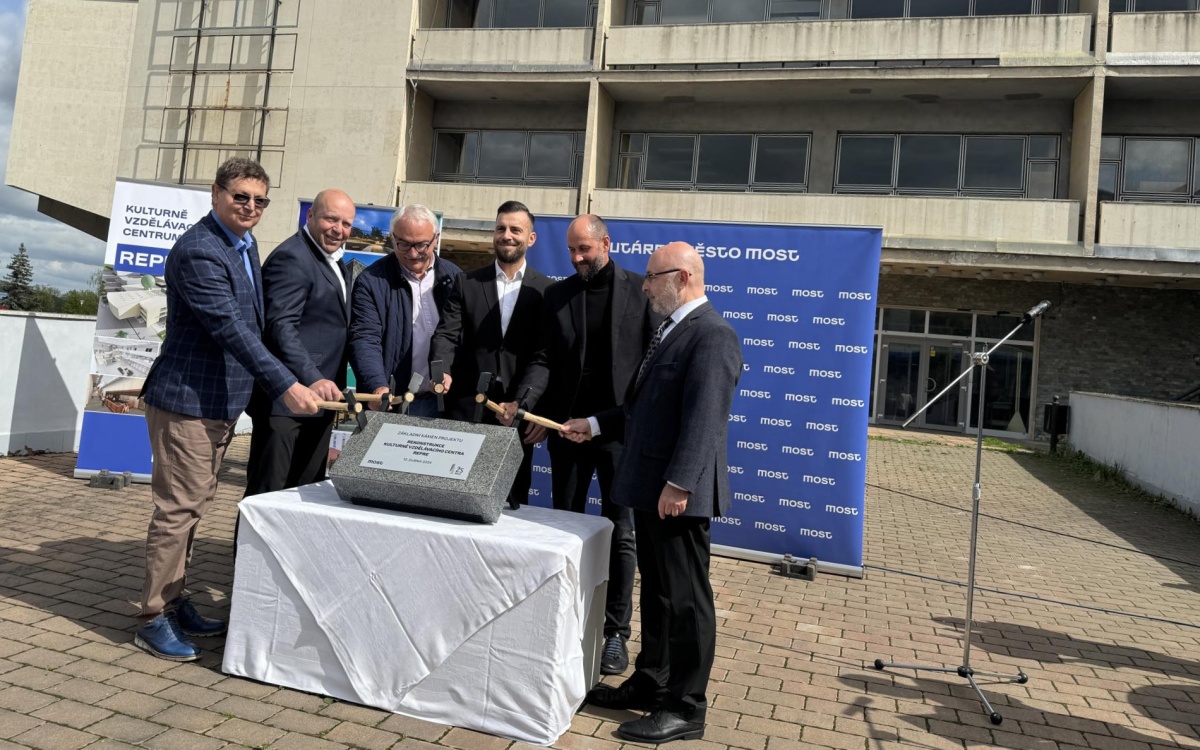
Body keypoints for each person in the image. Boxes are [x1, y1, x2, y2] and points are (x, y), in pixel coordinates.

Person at [137, 158, 322, 662]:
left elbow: (254, 322)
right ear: (215, 193)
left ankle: (174, 600)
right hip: (187, 402)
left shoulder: (243, 244)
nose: (250, 207)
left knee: (192, 507)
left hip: (217, 404)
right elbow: (230, 328)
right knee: (178, 511)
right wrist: (285, 384)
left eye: (260, 200)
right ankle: (152, 616)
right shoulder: (200, 250)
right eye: (240, 196)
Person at [561, 242, 742, 744]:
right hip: (653, 491)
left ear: (681, 277)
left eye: (651, 277)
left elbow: (705, 419)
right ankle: (652, 681)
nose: (644, 287)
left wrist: (679, 484)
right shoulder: (672, 329)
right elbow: (643, 408)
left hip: (676, 496)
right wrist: (594, 423)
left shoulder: (712, 334)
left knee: (686, 601)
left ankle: (685, 707)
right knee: (659, 595)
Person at [515, 214, 659, 675]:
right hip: (567, 432)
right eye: (571, 250)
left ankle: (616, 633)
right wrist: (527, 403)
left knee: (621, 532)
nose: (577, 258)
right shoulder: (557, 296)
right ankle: (567, 620)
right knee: (567, 525)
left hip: (618, 434)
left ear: (606, 244)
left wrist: (607, 422)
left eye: (585, 250)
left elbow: (649, 370)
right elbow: (542, 359)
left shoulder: (640, 292)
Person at [431, 200, 550, 506]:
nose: (506, 235)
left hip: (514, 414)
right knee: (455, 497)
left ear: (531, 238)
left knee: (512, 506)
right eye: (500, 228)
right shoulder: (467, 282)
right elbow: (446, 334)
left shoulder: (547, 291)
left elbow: (544, 356)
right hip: (466, 410)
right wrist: (441, 370)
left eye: (515, 230)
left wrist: (524, 403)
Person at [244, 189, 356, 495]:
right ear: (311, 216)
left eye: (346, 224)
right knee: (268, 496)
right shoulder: (293, 257)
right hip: (285, 402)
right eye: (331, 219)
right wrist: (313, 377)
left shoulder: (334, 261)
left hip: (319, 402)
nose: (338, 229)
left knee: (303, 494)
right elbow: (280, 327)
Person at [349, 204, 462, 417]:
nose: (413, 253)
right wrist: (376, 386)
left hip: (445, 402)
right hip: (392, 401)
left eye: (421, 245)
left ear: (436, 239)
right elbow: (365, 338)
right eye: (403, 244)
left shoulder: (455, 278)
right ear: (392, 239)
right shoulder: (371, 281)